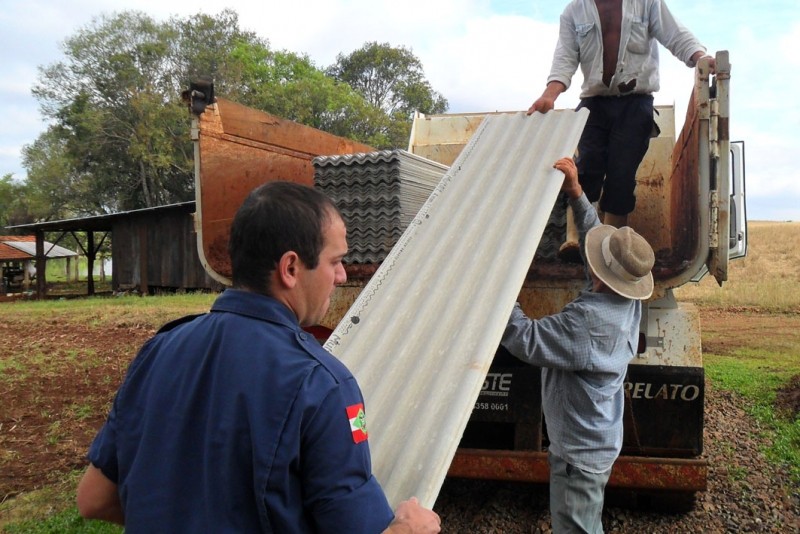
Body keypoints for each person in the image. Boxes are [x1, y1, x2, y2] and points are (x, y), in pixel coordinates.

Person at [76, 181, 441, 533]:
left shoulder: (158, 351)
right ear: (291, 268)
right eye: (335, 261)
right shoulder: (322, 384)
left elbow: (93, 499)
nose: (342, 276)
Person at [501, 157, 655, 533]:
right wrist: (576, 194)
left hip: (579, 456)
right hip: (598, 441)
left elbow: (526, 339)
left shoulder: (588, 323)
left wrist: (497, 291)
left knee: (577, 529)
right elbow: (597, 243)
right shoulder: (626, 300)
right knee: (586, 522)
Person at [528, 0, 715, 259]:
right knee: (588, 167)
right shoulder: (574, 11)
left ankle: (609, 247)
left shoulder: (647, 3)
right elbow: (565, 57)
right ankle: (574, 240)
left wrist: (700, 57)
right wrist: (549, 95)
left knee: (621, 175)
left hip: (636, 103)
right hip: (594, 103)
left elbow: (675, 34)